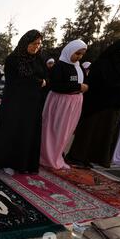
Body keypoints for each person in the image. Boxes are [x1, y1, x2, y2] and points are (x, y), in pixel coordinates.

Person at [0, 30, 48, 175]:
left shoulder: (39, 59)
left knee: (29, 132)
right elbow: (17, 82)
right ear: (25, 43)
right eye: (33, 44)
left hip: (33, 104)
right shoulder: (13, 59)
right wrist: (38, 82)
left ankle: (25, 164)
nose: (36, 47)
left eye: (39, 44)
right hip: (15, 103)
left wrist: (41, 82)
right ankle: (7, 162)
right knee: (13, 131)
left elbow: (45, 76)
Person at [66, 39, 120, 168]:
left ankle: (94, 158)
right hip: (96, 104)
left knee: (105, 133)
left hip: (114, 106)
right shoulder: (103, 64)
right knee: (89, 131)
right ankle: (78, 157)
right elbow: (99, 83)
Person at [40, 40, 88, 170]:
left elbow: (85, 81)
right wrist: (78, 86)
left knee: (66, 131)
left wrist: (83, 87)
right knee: (55, 129)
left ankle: (57, 155)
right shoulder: (59, 66)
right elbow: (56, 85)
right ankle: (47, 157)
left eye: (82, 54)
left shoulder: (79, 67)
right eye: (77, 53)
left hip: (75, 102)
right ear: (69, 51)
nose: (79, 57)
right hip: (60, 102)